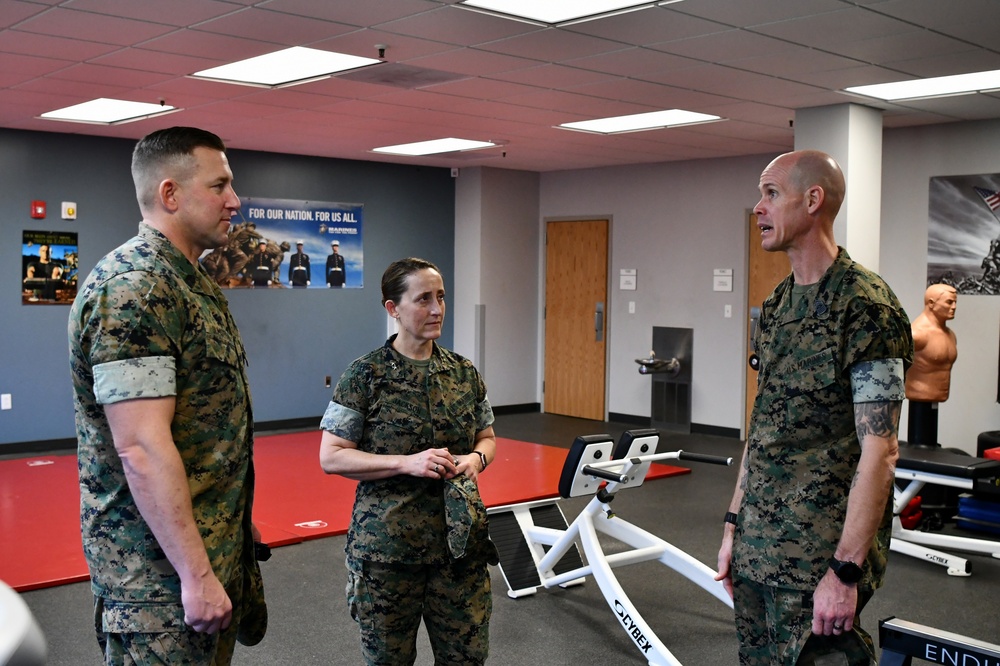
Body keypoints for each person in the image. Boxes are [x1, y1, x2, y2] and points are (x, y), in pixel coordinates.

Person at [68, 126, 266, 665]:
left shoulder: (189, 283)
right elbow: (141, 447)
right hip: (157, 584)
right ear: (170, 194)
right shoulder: (135, 287)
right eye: (219, 185)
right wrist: (196, 575)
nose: (234, 200)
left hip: (203, 559)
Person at [716, 150, 912, 665]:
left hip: (817, 563)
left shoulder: (866, 306)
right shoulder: (778, 304)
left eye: (771, 193)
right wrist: (734, 527)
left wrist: (845, 571)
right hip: (759, 550)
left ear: (813, 200)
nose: (758, 207)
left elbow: (881, 451)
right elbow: (763, 428)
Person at [319, 257, 498, 665]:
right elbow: (331, 457)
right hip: (388, 552)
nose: (436, 309)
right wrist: (406, 463)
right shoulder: (366, 376)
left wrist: (475, 459)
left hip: (459, 548)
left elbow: (487, 439)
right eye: (423, 299)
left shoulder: (463, 373)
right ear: (392, 308)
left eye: (441, 297)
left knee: (466, 659)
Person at [904, 284, 958, 446]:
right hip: (919, 395)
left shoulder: (950, 335)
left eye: (955, 302)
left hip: (935, 397)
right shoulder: (917, 334)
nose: (954, 307)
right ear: (931, 303)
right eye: (949, 302)